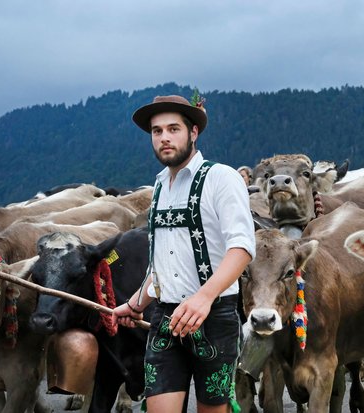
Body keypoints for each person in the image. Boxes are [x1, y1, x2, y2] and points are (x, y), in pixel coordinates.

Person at [112, 94, 256, 413]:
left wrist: (203, 297)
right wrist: (136, 303)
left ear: (193, 132)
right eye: (157, 130)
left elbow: (243, 247)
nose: (164, 137)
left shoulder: (222, 178)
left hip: (214, 318)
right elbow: (163, 265)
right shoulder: (161, 186)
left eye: (173, 128)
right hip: (166, 318)